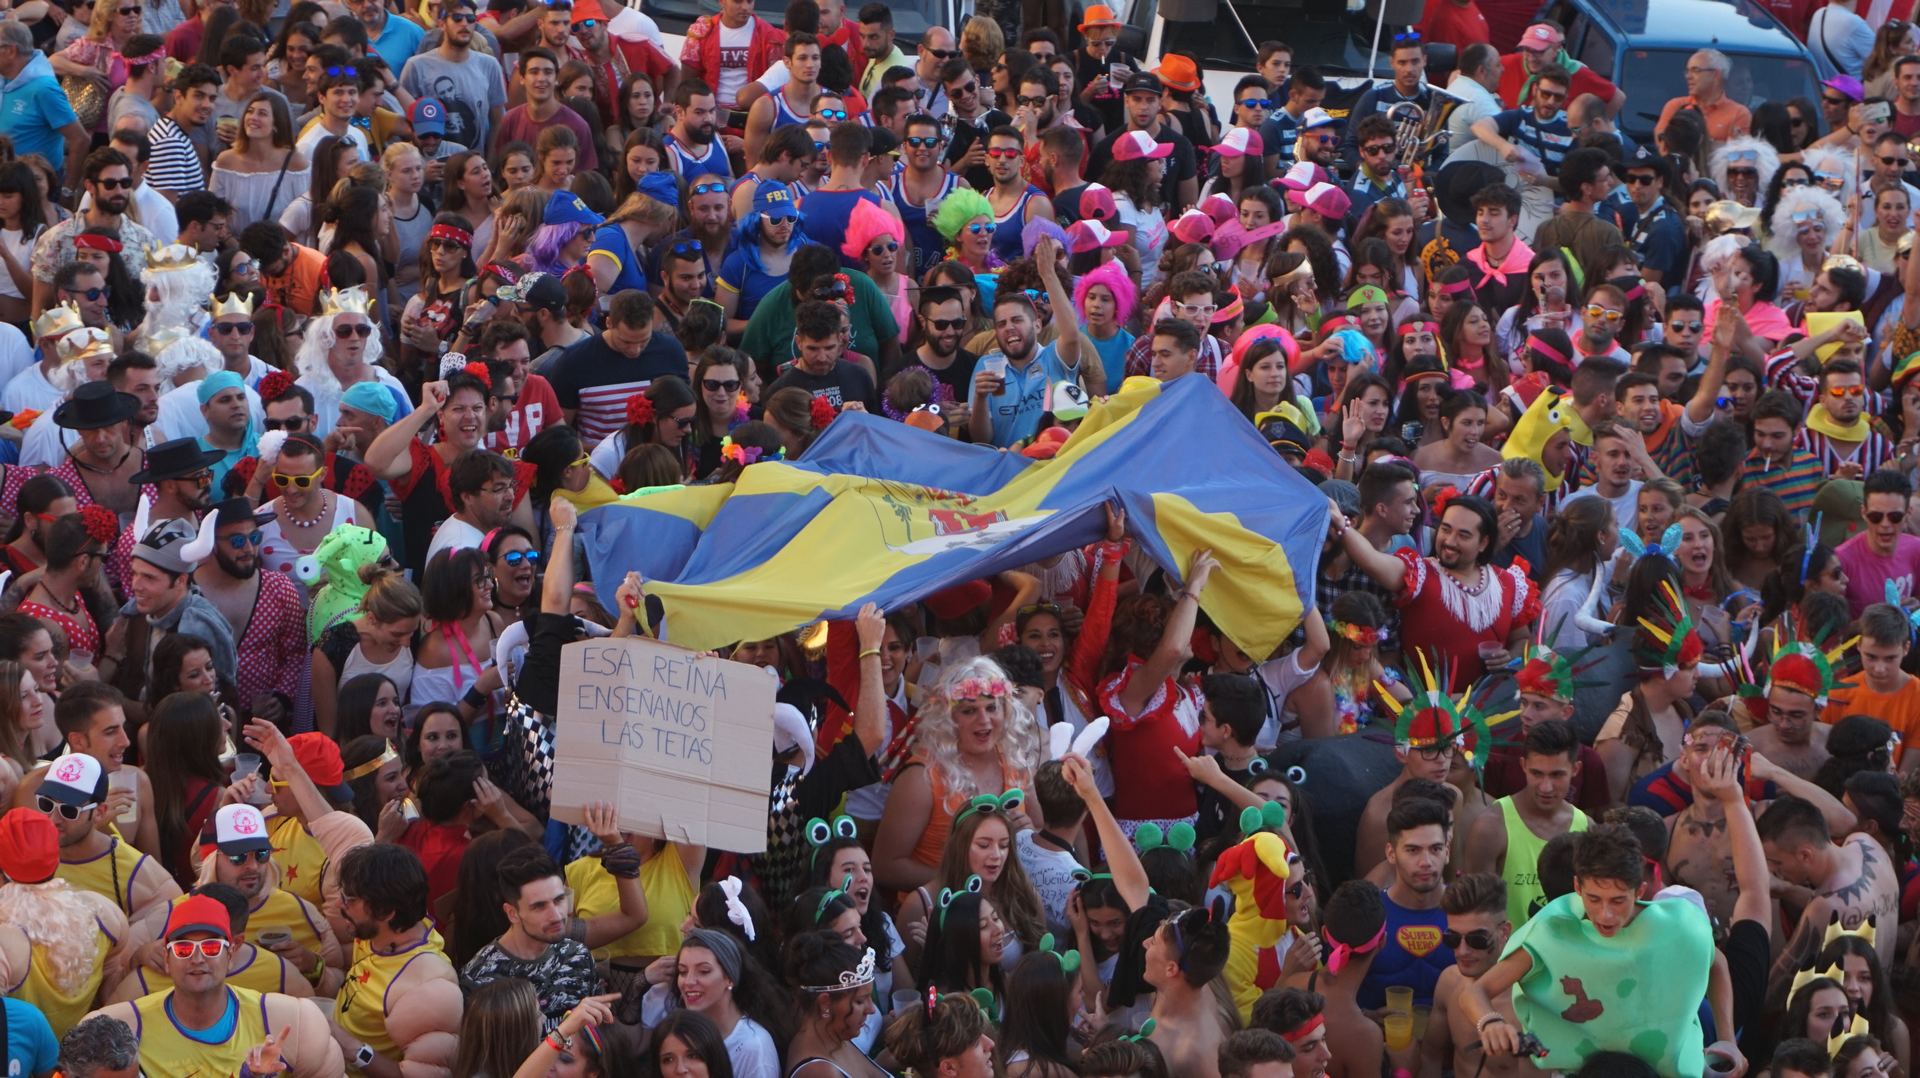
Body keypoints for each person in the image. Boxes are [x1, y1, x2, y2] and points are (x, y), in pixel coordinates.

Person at [1458, 824, 1735, 1078]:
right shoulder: (1551, 931)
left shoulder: (1679, 926)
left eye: (1618, 901)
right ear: (1577, 886)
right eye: (1594, 899)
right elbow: (1475, 992)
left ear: (1640, 890)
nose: (1606, 915)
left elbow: (1717, 963)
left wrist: (1727, 1040)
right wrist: (1490, 1022)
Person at [1330, 491, 1539, 687]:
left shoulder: (1509, 582)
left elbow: (1521, 638)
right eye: (1446, 529)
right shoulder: (1419, 573)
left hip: (1490, 710)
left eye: (1463, 535)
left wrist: (1511, 657)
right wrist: (1341, 523)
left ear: (1483, 542)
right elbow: (1371, 560)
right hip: (1426, 713)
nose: (1449, 541)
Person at [333, 842, 463, 1076]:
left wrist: (352, 1048)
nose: (340, 904)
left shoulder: (426, 989)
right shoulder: (377, 930)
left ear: (385, 912)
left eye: (349, 899)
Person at [0, 806, 128, 1036]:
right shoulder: (104, 914)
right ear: (55, 858)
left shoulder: (6, 940)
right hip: (81, 1061)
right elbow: (110, 991)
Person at [1466, 719, 1592, 925]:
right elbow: (1478, 915)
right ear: (1523, 766)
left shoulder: (1587, 828)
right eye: (1537, 773)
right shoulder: (1491, 827)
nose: (1546, 787)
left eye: (1557, 775)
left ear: (1575, 769)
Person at [1759, 794, 1900, 979]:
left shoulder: (1825, 907)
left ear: (1805, 855)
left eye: (1777, 863)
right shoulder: (1867, 845)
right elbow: (1847, 900)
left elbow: (1781, 981)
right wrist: (1786, 890)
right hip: (1881, 997)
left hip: (1852, 1005)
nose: (1772, 870)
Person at [1419, 873, 1517, 1078]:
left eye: (1477, 939)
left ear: (1504, 931)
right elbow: (1430, 1056)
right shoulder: (1449, 982)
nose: (1462, 951)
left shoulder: (1528, 999)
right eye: (1452, 938)